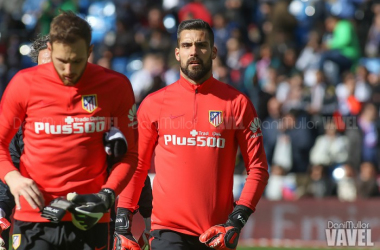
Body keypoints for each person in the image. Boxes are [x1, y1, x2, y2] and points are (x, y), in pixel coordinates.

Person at [113, 19, 269, 250]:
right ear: (177, 53)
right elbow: (137, 166)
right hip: (166, 231)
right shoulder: (154, 104)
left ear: (214, 51)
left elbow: (258, 169)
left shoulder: (238, 104)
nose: (194, 51)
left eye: (201, 45)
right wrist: (122, 221)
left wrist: (236, 221)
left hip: (217, 235)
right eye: (187, 46)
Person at [0, 11, 138, 250]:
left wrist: (107, 195)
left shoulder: (116, 86)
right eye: (62, 61)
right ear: (50, 49)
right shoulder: (23, 83)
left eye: (77, 60)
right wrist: (13, 179)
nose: (68, 69)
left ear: (90, 51)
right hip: (34, 219)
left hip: (90, 219)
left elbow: (131, 154)